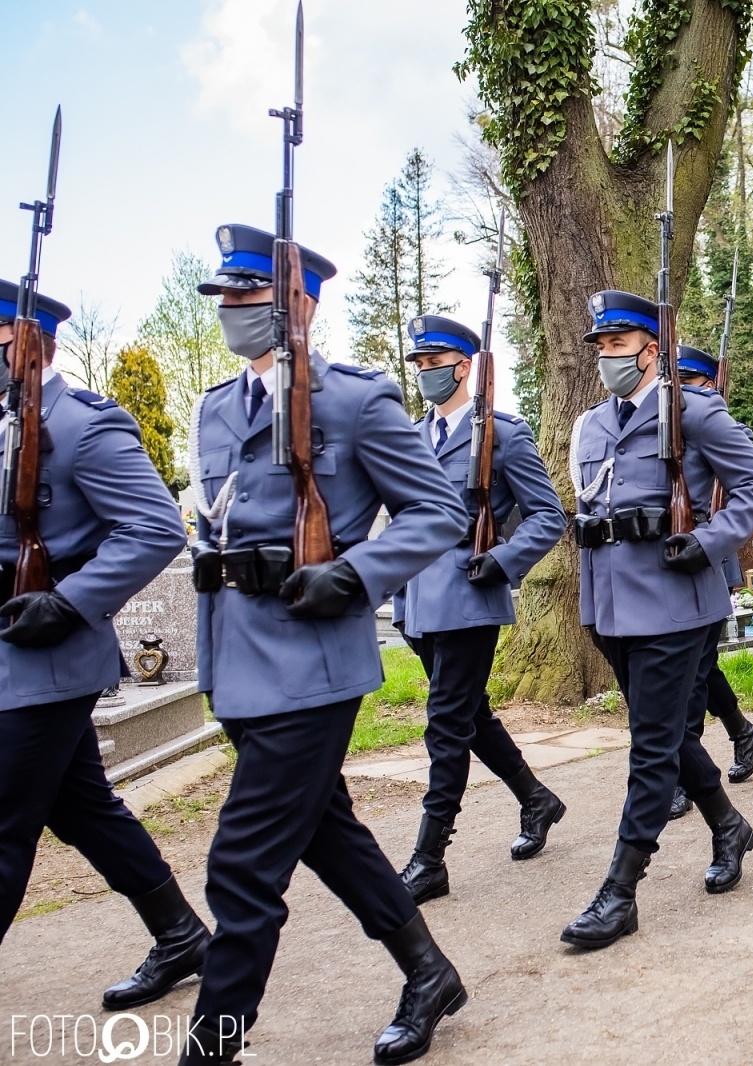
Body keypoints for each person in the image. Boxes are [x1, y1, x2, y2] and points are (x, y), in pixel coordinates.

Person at [185, 224, 471, 1065]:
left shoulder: (353, 399)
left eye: (250, 295)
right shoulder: (214, 408)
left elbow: (438, 513)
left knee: (241, 869)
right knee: (324, 829)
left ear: (298, 304)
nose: (235, 311)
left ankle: (213, 1046)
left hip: (312, 663)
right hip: (238, 659)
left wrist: (355, 574)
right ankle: (428, 971)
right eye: (227, 298)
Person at [0, 284, 207, 1011]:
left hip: (48, 660)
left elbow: (154, 526)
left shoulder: (83, 425)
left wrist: (69, 601)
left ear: (29, 347)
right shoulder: (7, 427)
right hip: (13, 655)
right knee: (80, 805)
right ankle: (180, 933)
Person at [561, 292, 753, 948]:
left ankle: (620, 890)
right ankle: (729, 825)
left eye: (619, 346)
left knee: (651, 746)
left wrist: (711, 542)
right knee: (665, 736)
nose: (607, 358)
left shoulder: (696, 413)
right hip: (610, 606)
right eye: (601, 346)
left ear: (653, 350)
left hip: (676, 605)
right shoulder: (593, 424)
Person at [388, 315, 568, 905]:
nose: (424, 375)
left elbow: (548, 515)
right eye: (418, 365)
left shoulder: (504, 435)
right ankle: (537, 798)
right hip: (418, 600)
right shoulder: (412, 436)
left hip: (468, 597)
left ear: (465, 366)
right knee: (469, 716)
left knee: (445, 724)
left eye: (434, 364)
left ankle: (429, 856)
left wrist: (505, 560)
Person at [666, 343, 753, 819]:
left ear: (709, 386)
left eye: (689, 385)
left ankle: (681, 773)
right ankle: (742, 732)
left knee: (691, 676)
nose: (679, 394)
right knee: (700, 667)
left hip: (710, 563)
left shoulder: (727, 430)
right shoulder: (663, 430)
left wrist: (714, 521)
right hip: (670, 565)